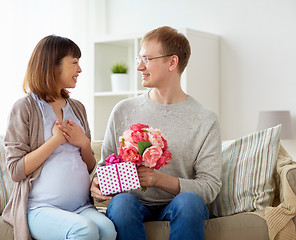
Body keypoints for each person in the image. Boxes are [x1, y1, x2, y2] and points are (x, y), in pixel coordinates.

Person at [90, 26, 222, 240]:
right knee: (122, 203)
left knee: (189, 203)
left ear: (172, 62)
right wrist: (98, 185)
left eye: (148, 59)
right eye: (139, 59)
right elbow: (105, 168)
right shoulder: (123, 110)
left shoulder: (205, 119)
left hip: (179, 205)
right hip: (131, 203)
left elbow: (209, 187)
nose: (140, 67)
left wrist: (159, 180)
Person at [2, 35, 116, 240]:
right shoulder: (25, 108)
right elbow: (16, 170)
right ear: (52, 65)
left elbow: (89, 166)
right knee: (85, 230)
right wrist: (55, 141)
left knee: (108, 230)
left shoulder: (77, 108)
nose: (80, 70)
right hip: (39, 208)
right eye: (74, 63)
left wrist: (84, 143)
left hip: (80, 207)